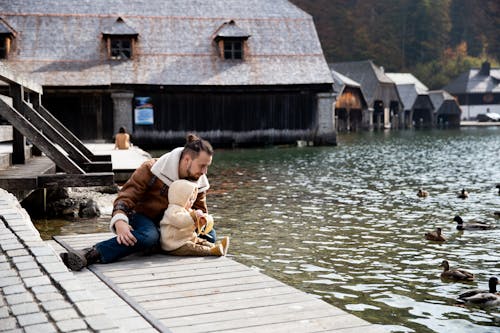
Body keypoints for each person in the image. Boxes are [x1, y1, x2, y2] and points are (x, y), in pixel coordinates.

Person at [60, 133, 215, 270]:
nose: (205, 172)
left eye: (207, 167)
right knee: (148, 236)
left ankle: (158, 243)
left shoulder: (199, 179)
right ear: (187, 160)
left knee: (210, 236)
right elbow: (126, 196)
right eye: (202, 166)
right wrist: (120, 221)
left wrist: (202, 219)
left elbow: (202, 210)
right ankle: (92, 253)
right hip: (143, 217)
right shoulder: (152, 169)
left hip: (174, 223)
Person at [160, 179, 229, 256]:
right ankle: (211, 251)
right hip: (174, 245)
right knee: (192, 248)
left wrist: (201, 221)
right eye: (190, 199)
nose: (192, 202)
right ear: (180, 197)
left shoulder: (188, 210)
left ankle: (218, 248)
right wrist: (193, 216)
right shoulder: (172, 211)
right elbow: (181, 222)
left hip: (187, 239)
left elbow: (193, 226)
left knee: (201, 241)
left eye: (193, 199)